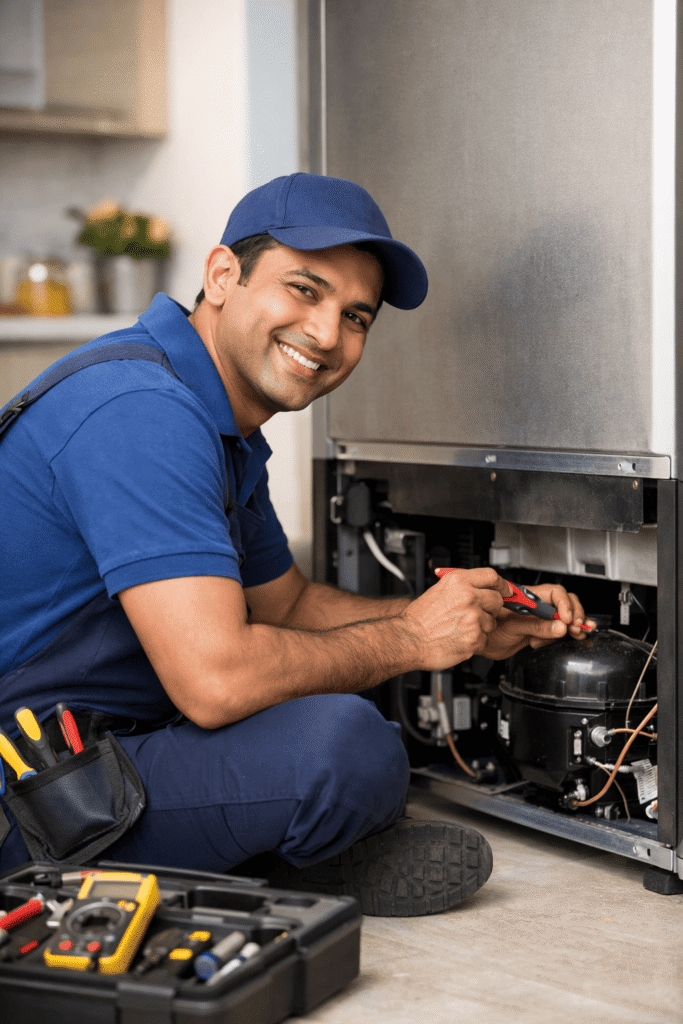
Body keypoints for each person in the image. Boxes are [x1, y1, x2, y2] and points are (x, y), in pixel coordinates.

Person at [0, 173, 591, 916]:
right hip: (31, 792)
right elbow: (216, 682)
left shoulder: (212, 420)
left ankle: (248, 855)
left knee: (346, 730)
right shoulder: (142, 413)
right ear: (222, 275)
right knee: (342, 749)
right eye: (303, 290)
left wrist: (458, 623)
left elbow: (288, 605)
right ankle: (286, 865)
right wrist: (410, 637)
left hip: (99, 751)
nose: (326, 334)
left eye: (355, 316)